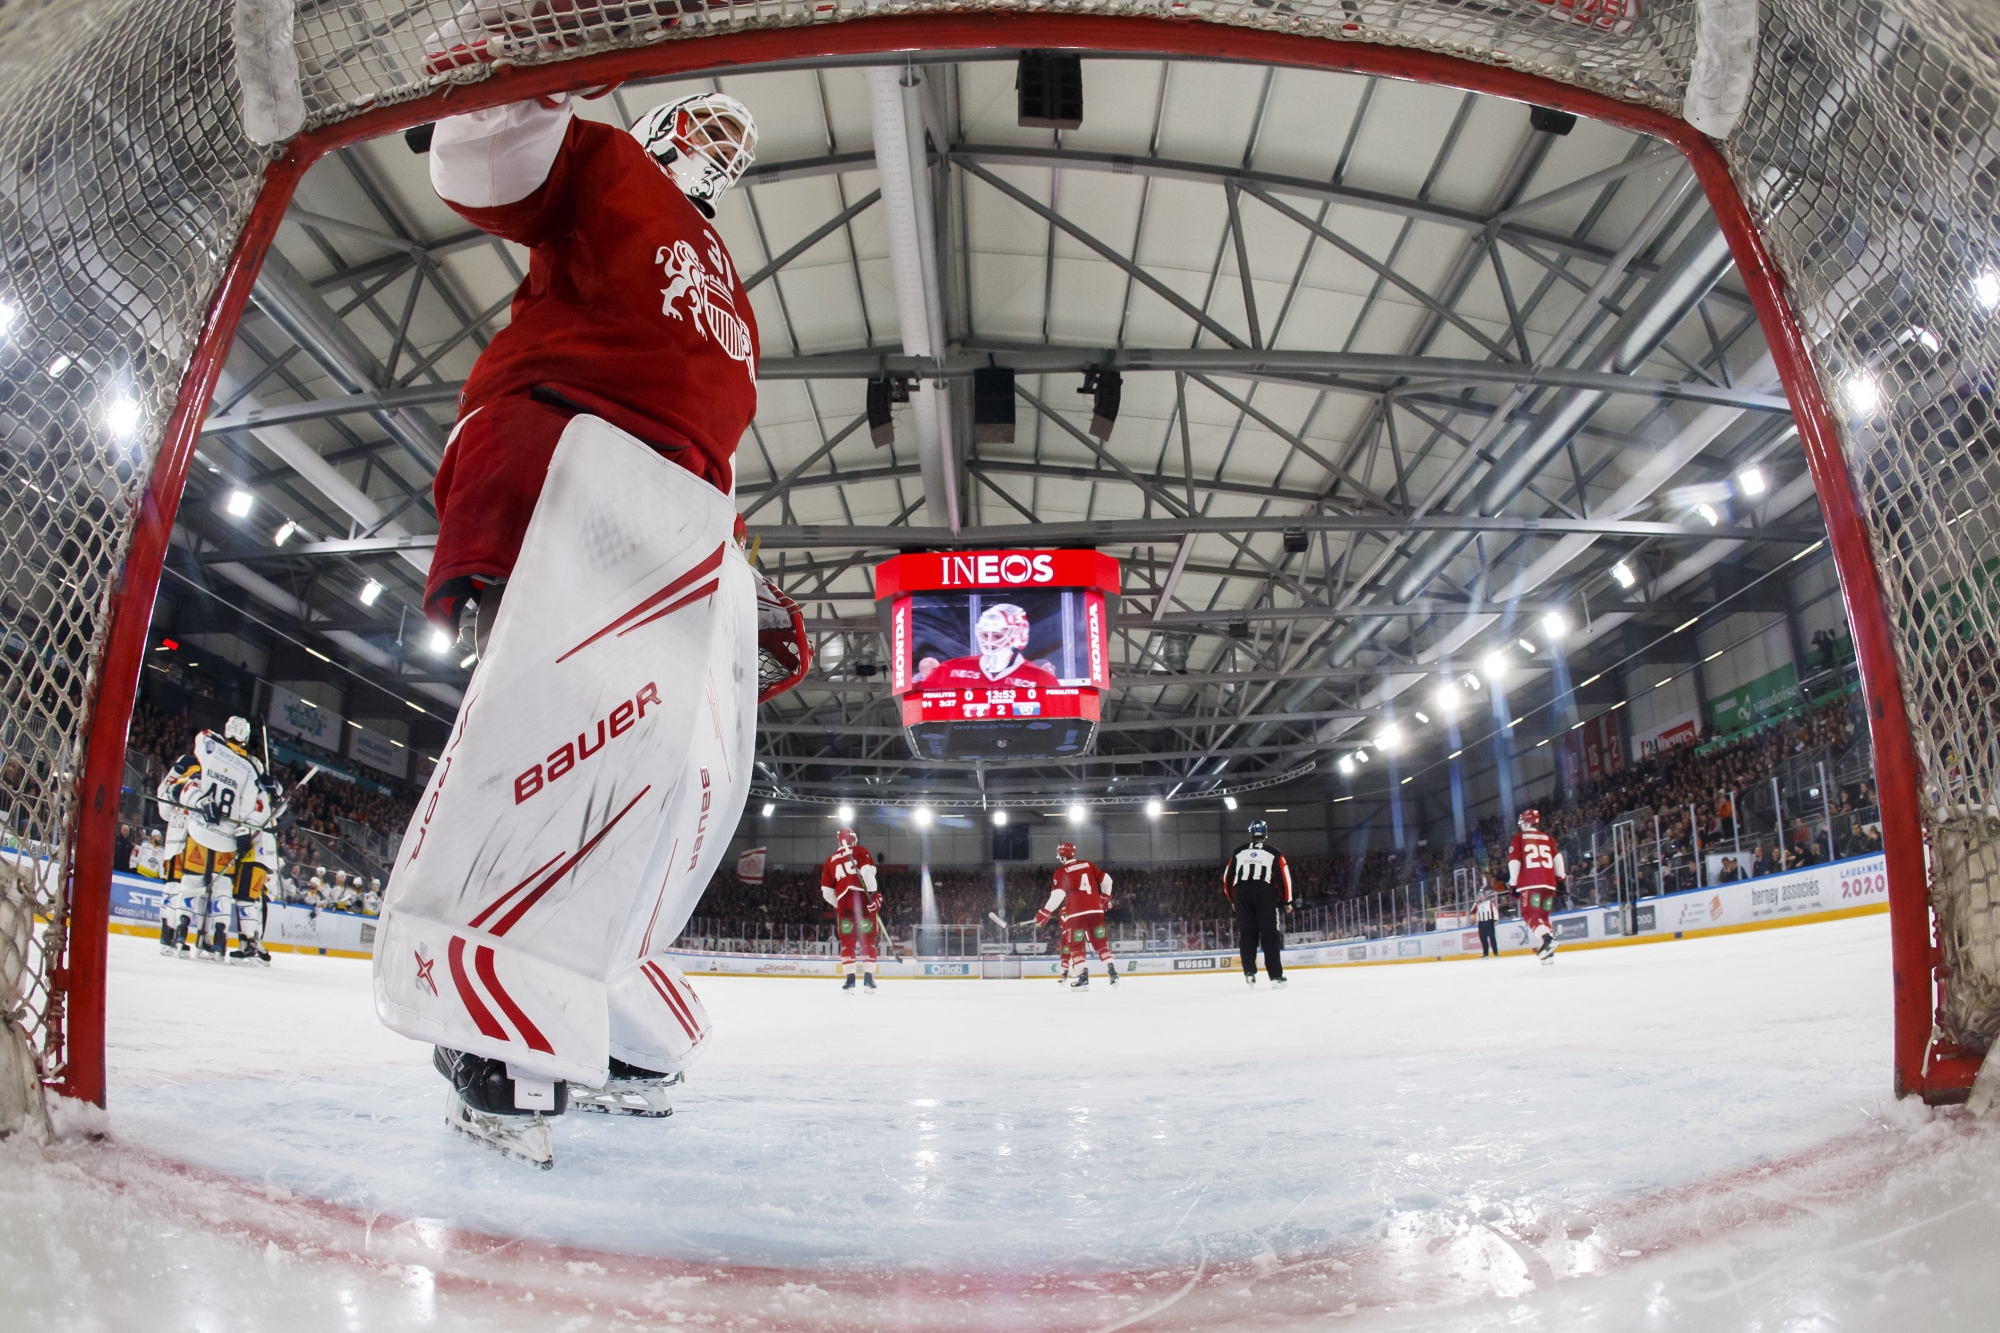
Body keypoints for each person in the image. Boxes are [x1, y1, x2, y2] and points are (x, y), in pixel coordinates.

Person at [370, 45, 805, 1169]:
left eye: (732, 148)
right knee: (555, 737)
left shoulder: (731, 299)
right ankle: (487, 996)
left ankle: (602, 1003)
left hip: (671, 519)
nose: (718, 151)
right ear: (659, 128)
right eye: (702, 129)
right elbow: (481, 160)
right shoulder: (606, 167)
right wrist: (534, 78)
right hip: (568, 456)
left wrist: (740, 574)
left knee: (674, 788)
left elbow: (705, 441)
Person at [159, 716, 281, 961]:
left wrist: (192, 800)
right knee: (217, 888)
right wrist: (272, 792)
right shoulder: (248, 766)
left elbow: (167, 797)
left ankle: (175, 938)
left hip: (191, 834)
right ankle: (213, 943)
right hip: (223, 836)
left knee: (189, 886)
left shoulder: (201, 757)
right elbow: (262, 807)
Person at [915, 605, 1060, 690]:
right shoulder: (950, 670)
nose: (990, 643)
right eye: (985, 635)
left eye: (997, 636)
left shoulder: (1041, 679)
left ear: (1018, 635)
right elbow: (915, 698)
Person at [1035, 840, 1117, 989]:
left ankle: (1082, 978)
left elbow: (1058, 896)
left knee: (1076, 947)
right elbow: (1107, 880)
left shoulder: (1061, 872)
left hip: (1076, 915)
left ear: (1062, 856)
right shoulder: (1088, 864)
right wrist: (1105, 897)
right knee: (1101, 944)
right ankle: (1112, 973)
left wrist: (1045, 911)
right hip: (1096, 911)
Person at [1222, 820, 1291, 987]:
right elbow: (1284, 877)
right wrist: (1287, 900)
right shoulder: (1274, 852)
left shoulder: (1238, 852)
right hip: (1264, 892)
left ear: (1250, 834)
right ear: (1265, 834)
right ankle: (1275, 976)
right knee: (1269, 935)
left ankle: (1249, 972)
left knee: (1247, 934)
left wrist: (1232, 899)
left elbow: (1227, 878)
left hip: (1241, 893)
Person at [820, 827, 882, 993]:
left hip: (844, 904)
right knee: (868, 940)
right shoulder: (861, 851)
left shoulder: (830, 860)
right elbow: (867, 873)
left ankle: (850, 982)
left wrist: (838, 904)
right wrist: (874, 895)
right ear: (853, 839)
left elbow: (827, 892)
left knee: (847, 942)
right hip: (863, 901)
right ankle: (868, 980)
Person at [1507, 808, 1566, 964]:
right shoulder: (1548, 838)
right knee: (1543, 916)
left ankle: (1547, 940)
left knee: (1530, 914)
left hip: (1530, 883)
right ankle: (1548, 954)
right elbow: (1558, 859)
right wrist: (1561, 880)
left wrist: (1513, 883)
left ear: (1527, 822)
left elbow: (1515, 862)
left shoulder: (1519, 838)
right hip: (1549, 883)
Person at [1474, 881, 1502, 959]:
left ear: (1484, 895)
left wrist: (1495, 920)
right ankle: (1485, 953)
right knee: (1483, 938)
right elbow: (1472, 911)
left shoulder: (1489, 903)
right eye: (1479, 895)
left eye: (1482, 895)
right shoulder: (1477, 904)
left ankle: (1496, 953)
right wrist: (1476, 902)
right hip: (1481, 923)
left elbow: (1494, 911)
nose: (1481, 896)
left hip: (1489, 922)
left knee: (1492, 937)